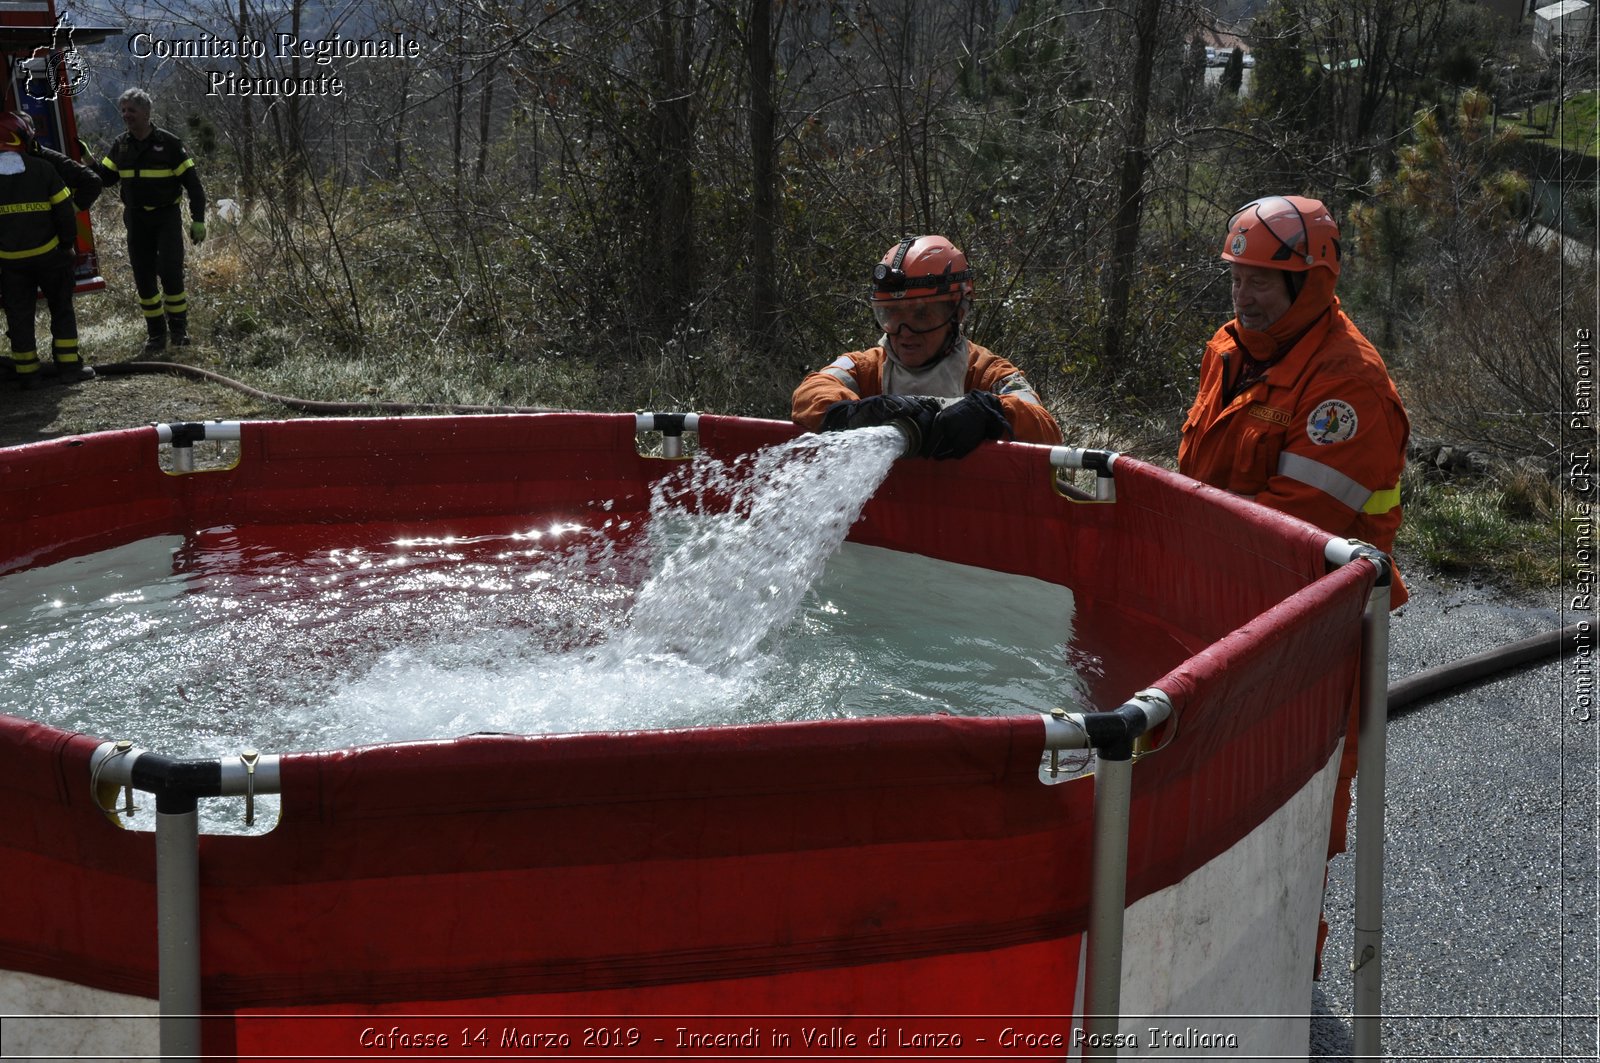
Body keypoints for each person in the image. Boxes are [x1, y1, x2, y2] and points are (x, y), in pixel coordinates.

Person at [1179, 193, 1409, 975]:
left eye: (1261, 282)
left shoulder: (1349, 388)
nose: (1242, 295)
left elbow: (1296, 536)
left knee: (1292, 809)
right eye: (1236, 277)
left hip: (1313, 628)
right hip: (1221, 600)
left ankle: (1278, 984)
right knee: (1201, 799)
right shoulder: (1233, 347)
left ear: (1310, 284)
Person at [792, 235, 1061, 458]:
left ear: (956, 313)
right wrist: (854, 413)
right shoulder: (865, 367)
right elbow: (811, 391)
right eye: (892, 315)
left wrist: (993, 414)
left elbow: (1045, 429)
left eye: (921, 315)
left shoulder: (987, 372)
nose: (904, 333)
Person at [96, 88, 206, 352]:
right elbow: (105, 178)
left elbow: (193, 185)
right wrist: (87, 163)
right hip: (135, 219)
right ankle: (156, 335)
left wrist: (198, 219)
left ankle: (179, 331)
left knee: (170, 272)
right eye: (123, 110)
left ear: (146, 112)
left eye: (131, 110)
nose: (126, 115)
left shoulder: (169, 143)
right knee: (143, 276)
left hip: (165, 217)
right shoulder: (121, 144)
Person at [9, 111, 100, 382]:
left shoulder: (45, 161)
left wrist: (67, 212)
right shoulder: (43, 165)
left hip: (14, 258)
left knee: (20, 313)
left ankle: (28, 375)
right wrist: (65, 234)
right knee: (59, 307)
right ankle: (69, 368)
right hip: (51, 252)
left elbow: (92, 182)